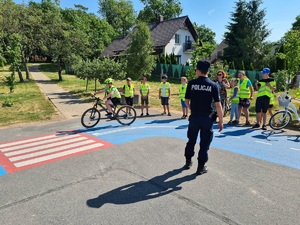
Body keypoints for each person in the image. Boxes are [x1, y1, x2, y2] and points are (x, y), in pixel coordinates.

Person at [184, 61, 223, 175]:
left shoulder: (191, 83)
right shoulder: (213, 85)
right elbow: (218, 105)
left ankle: (188, 162)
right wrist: (221, 121)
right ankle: (200, 167)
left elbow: (186, 101)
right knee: (204, 143)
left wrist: (192, 108)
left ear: (198, 71)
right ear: (208, 71)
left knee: (191, 141)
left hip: (194, 117)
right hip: (207, 118)